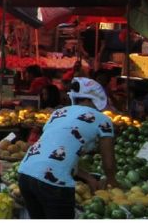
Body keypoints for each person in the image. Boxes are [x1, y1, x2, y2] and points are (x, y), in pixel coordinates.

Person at [17, 77, 118, 219]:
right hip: (54, 182)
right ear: (93, 99)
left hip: (25, 174)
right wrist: (113, 182)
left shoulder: (58, 113)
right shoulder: (103, 120)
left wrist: (88, 178)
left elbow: (57, 151)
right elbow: (109, 164)